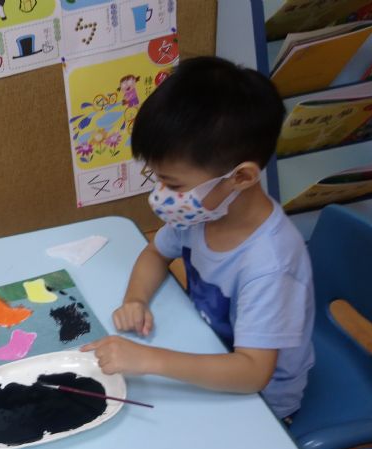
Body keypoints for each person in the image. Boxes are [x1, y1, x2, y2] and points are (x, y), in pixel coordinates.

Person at [82, 56, 315, 422]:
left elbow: (253, 372)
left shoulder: (270, 264)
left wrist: (149, 359)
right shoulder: (205, 213)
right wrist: (135, 299)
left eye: (173, 184)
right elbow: (155, 253)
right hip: (205, 350)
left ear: (241, 178)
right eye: (158, 179)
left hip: (261, 401)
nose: (161, 195)